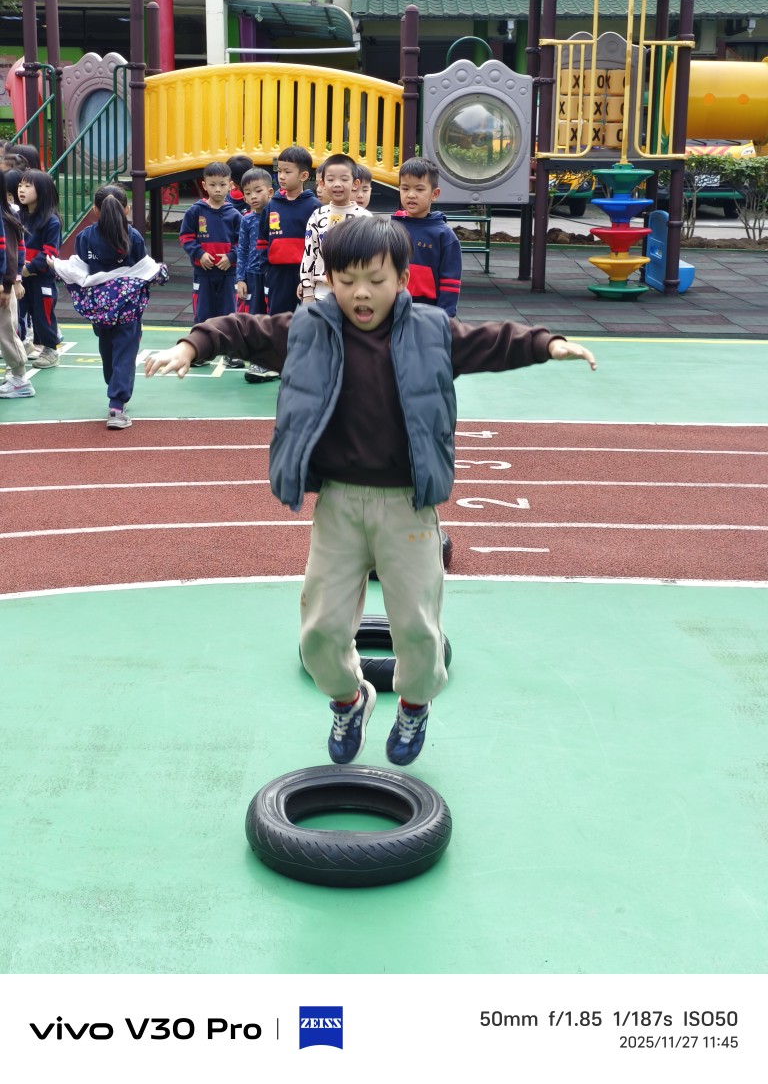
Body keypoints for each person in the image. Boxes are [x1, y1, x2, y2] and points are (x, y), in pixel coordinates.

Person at [145, 218, 596, 767]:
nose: (362, 293)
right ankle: (349, 699)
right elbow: (240, 329)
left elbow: (494, 340)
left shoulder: (431, 332)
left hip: (407, 507)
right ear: (328, 280)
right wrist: (191, 346)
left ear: (402, 279)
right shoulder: (307, 330)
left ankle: (413, 705)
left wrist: (549, 344)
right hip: (339, 504)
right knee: (319, 633)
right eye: (347, 280)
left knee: (419, 632)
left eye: (377, 280)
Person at [49, 184, 166, 429]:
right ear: (127, 209)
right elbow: (143, 269)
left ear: (95, 209)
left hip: (100, 309)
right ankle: (117, 405)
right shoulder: (133, 236)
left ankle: (115, 395)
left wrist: (57, 266)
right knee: (125, 354)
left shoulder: (85, 237)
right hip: (127, 308)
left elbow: (79, 270)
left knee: (108, 351)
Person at [179, 161, 242, 365]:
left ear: (230, 185)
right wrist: (199, 253)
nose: (217, 189)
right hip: (203, 274)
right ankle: (200, 352)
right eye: (213, 184)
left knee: (229, 313)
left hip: (228, 274)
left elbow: (242, 242)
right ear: (204, 185)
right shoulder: (195, 212)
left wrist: (231, 257)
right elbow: (186, 237)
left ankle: (231, 352)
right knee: (203, 313)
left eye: (222, 184)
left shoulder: (235, 214)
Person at [392, 156, 462, 317]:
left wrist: (445, 315)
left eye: (419, 189)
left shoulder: (444, 235)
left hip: (429, 310)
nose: (411, 195)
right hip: (392, 306)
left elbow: (450, 281)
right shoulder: (392, 227)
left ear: (434, 194)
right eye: (405, 188)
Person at [256, 145, 319, 314]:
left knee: (306, 317)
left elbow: (319, 243)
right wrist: (266, 268)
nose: (281, 176)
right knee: (277, 317)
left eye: (287, 172)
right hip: (277, 273)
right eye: (279, 171)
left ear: (303, 176)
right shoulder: (272, 205)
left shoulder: (314, 206)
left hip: (305, 273)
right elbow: (262, 239)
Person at [299, 152, 370, 304]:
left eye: (344, 179)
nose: (337, 184)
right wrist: (307, 289)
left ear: (355, 184)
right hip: (321, 293)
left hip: (354, 293)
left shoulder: (365, 218)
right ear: (323, 184)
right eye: (331, 179)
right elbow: (309, 254)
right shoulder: (317, 216)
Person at [235, 167, 279, 384]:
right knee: (254, 317)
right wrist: (240, 279)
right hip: (252, 276)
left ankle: (273, 359)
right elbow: (242, 250)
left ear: (270, 192)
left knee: (274, 317)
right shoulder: (246, 220)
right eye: (248, 193)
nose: (253, 196)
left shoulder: (277, 216)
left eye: (258, 191)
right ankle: (258, 359)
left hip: (272, 274)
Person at [17, 168, 62, 367]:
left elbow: (49, 252)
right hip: (20, 277)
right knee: (17, 313)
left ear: (42, 191)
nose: (21, 189)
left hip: (42, 278)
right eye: (20, 185)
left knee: (42, 314)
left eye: (28, 186)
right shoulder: (17, 216)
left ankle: (50, 350)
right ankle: (22, 345)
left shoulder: (51, 221)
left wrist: (29, 268)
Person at [0, 168, 34, 399]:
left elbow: (9, 254)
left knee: (6, 332)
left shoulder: (5, 216)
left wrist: (7, 285)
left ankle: (20, 379)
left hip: (3, 286)